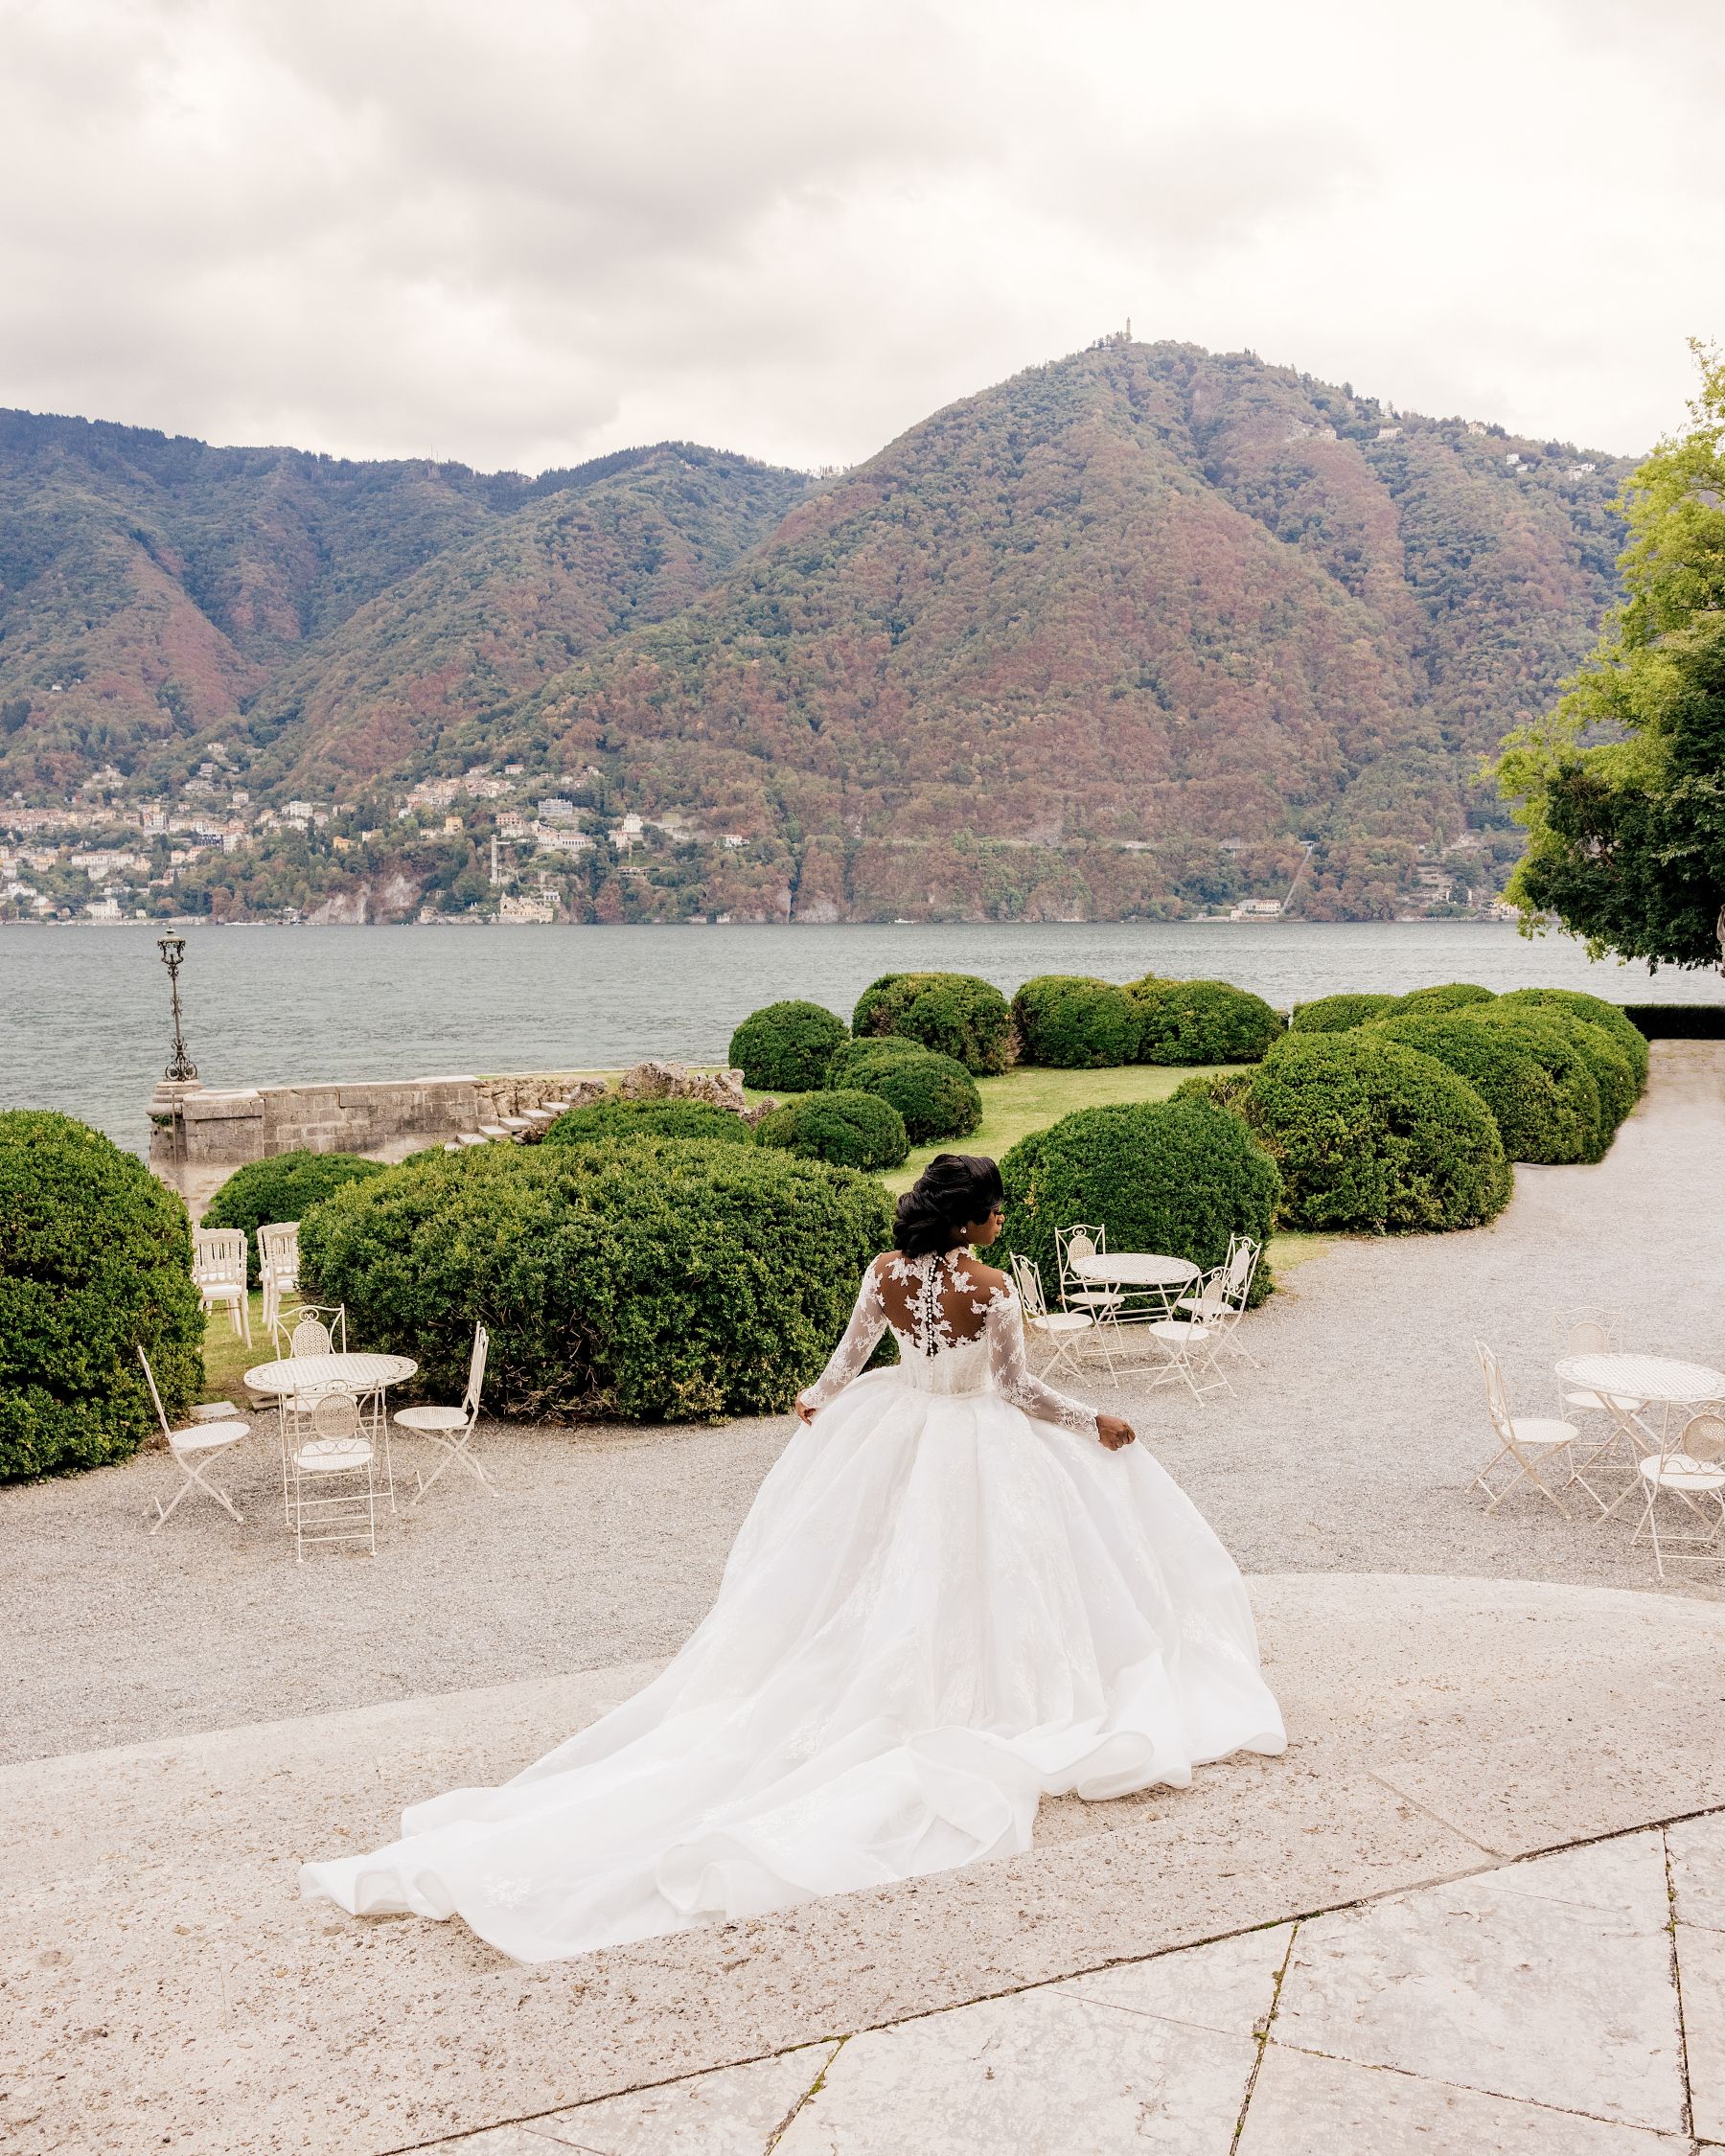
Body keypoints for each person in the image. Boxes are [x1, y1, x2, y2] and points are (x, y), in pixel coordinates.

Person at [300, 1154, 1284, 1963]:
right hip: (976, 1441)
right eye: (995, 1210)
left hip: (898, 1430)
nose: (1001, 1220)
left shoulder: (883, 1273)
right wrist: (1095, 1420)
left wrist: (817, 1400)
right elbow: (1021, 1393)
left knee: (878, 1574)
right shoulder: (992, 1290)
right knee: (992, 1572)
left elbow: (850, 1359)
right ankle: (982, 1690)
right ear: (971, 1221)